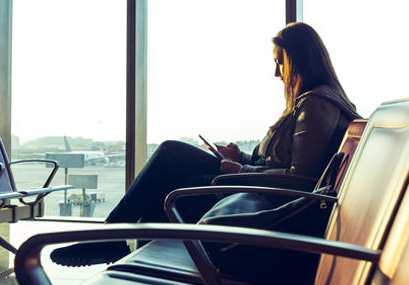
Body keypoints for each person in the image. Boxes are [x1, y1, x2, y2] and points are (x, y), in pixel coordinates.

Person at [50, 22, 362, 268]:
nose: (276, 72)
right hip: (256, 185)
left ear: (298, 60)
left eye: (280, 62)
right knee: (170, 170)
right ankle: (112, 240)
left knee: (171, 157)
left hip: (266, 197)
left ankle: (109, 237)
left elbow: (302, 177)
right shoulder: (314, 102)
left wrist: (238, 168)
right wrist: (241, 156)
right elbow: (281, 163)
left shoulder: (316, 103)